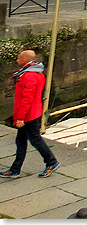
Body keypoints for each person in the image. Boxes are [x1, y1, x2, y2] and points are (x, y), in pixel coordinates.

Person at [2, 50, 59, 178]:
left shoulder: (29, 76)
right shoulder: (37, 73)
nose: (17, 60)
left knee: (35, 140)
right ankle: (15, 169)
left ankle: (51, 162)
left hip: (29, 115)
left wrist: (21, 117)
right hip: (33, 112)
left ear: (25, 60)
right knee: (21, 141)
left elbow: (27, 99)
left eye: (19, 58)